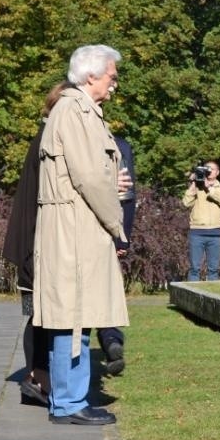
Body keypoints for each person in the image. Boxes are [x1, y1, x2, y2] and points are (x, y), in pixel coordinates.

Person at [33, 44, 129, 426]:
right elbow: (89, 177)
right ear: (91, 76)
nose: (114, 84)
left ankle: (70, 400)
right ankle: (70, 403)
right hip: (76, 228)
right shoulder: (74, 111)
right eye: (111, 76)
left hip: (76, 224)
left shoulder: (78, 111)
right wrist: (115, 222)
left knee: (76, 313)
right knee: (73, 313)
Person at [3, 81, 70, 406]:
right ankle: (38, 379)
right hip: (35, 244)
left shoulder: (43, 136)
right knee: (40, 316)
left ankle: (37, 377)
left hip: (32, 242)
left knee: (40, 316)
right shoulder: (47, 139)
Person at [96, 134, 136, 376]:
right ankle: (111, 337)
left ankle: (109, 339)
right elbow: (127, 197)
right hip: (110, 229)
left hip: (81, 230)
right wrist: (122, 236)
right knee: (104, 291)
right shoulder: (120, 145)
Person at [182, 160, 220, 281]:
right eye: (206, 168)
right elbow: (186, 203)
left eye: (212, 169)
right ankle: (192, 296)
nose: (208, 171)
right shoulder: (197, 188)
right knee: (194, 268)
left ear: (217, 172)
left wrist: (208, 188)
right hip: (196, 232)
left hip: (215, 233)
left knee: (213, 269)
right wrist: (193, 184)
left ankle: (212, 296)